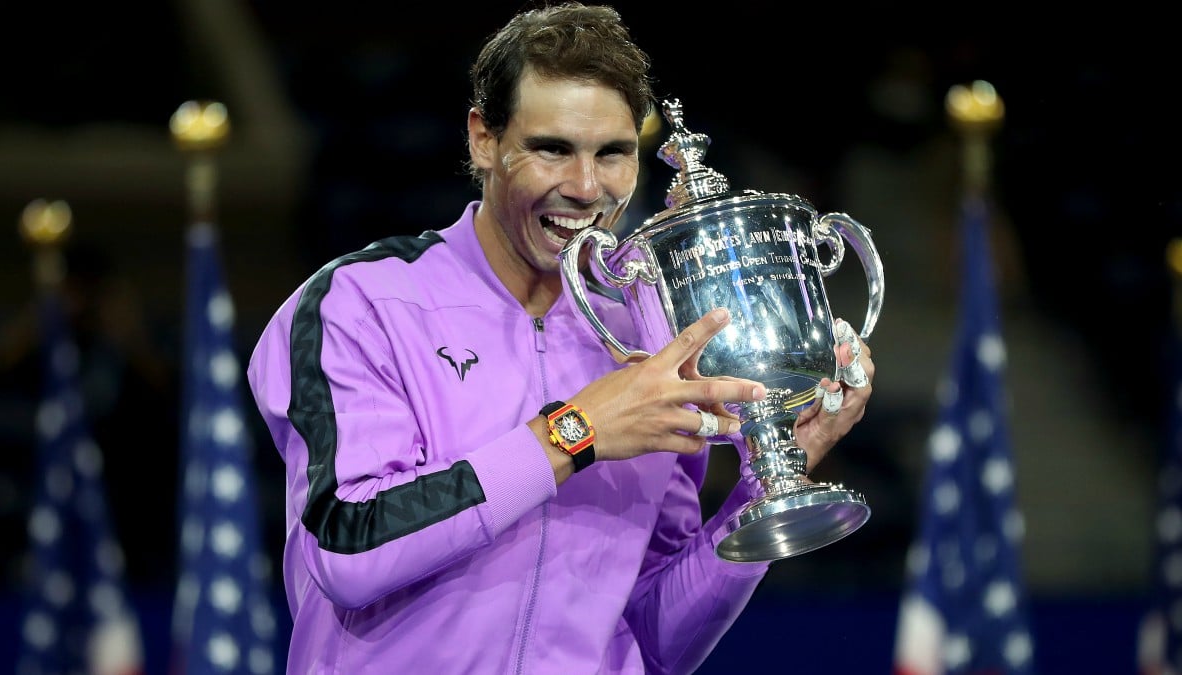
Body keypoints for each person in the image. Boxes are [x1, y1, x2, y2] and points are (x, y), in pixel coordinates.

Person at [246, 3, 876, 672]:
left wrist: (761, 489)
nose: (585, 188)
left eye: (613, 153)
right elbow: (348, 549)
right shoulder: (361, 303)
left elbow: (657, 640)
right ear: (482, 140)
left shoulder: (649, 336)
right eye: (552, 149)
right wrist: (573, 433)